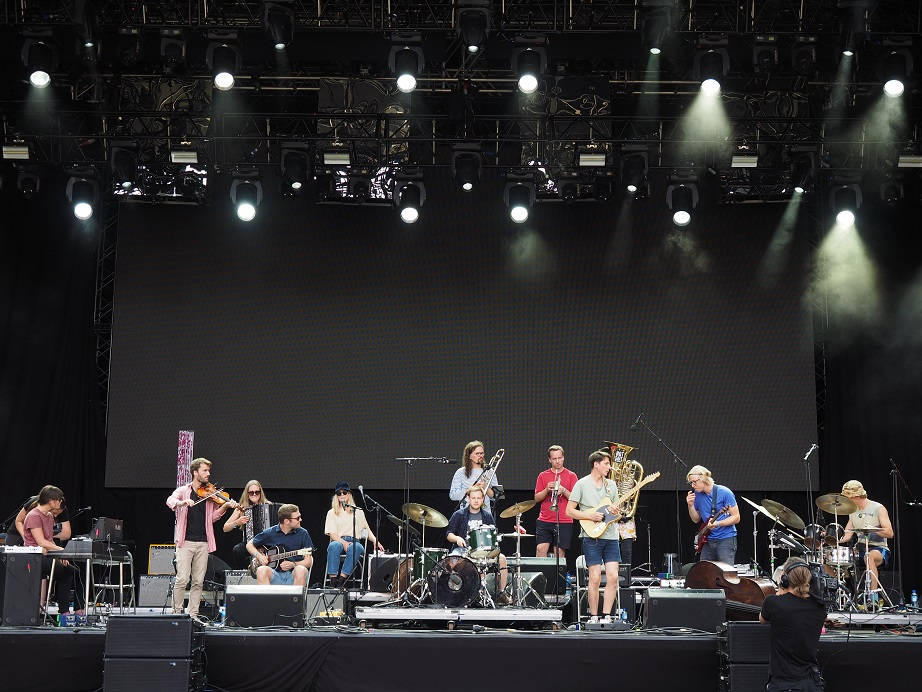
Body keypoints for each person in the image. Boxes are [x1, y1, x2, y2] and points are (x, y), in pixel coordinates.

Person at [165, 458, 237, 619]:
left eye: (208, 471)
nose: (208, 474)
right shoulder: (184, 490)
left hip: (203, 542)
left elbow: (211, 518)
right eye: (205, 470)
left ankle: (193, 615)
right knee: (182, 579)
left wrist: (224, 506)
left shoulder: (210, 494)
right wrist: (182, 502)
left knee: (198, 581)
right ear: (195, 472)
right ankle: (176, 613)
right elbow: (170, 500)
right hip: (185, 542)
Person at [566, 450, 621, 623]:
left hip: (611, 536)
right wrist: (590, 516)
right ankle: (593, 616)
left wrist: (615, 513)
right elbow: (569, 511)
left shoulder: (611, 485)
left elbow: (615, 515)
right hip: (591, 536)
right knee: (595, 577)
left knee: (613, 576)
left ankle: (606, 615)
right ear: (596, 464)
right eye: (606, 463)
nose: (609, 467)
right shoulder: (581, 484)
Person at [759, 558, 826, 692]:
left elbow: (762, 619)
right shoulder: (819, 607)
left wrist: (780, 590)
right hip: (811, 683)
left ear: (784, 579)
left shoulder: (773, 603)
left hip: (783, 684)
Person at [446, 486, 509, 604]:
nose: (476, 500)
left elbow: (493, 535)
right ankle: (455, 594)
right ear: (468, 499)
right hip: (463, 550)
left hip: (482, 551)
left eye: (479, 498)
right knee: (452, 560)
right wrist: (457, 538)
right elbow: (449, 534)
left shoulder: (487, 516)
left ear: (483, 499)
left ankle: (501, 593)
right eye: (473, 498)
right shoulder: (459, 514)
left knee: (502, 558)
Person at [23, 485, 80, 612]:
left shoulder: (49, 516)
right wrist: (61, 551)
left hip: (47, 556)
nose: (60, 502)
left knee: (73, 571)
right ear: (51, 501)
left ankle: (68, 610)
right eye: (59, 500)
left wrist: (59, 556)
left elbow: (49, 540)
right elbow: (41, 541)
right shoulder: (34, 515)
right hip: (34, 558)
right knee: (67, 572)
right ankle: (64, 611)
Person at [838, 480, 894, 594]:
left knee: (869, 557)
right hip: (860, 550)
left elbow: (889, 533)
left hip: (878, 549)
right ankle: (844, 595)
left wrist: (872, 529)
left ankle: (872, 597)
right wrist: (832, 539)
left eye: (849, 497)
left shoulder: (878, 508)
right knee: (837, 558)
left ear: (857, 496)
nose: (847, 500)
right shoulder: (852, 511)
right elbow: (847, 535)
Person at [324, 482, 384, 587]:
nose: (342, 495)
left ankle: (341, 581)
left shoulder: (358, 511)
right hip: (338, 540)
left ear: (349, 494)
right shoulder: (332, 512)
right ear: (336, 496)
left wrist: (375, 540)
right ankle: (333, 581)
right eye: (339, 493)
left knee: (355, 548)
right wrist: (344, 543)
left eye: (344, 492)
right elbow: (331, 533)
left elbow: (366, 529)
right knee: (333, 546)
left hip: (355, 541)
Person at [247, 503, 314, 586]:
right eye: (297, 518)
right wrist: (259, 556)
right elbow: (249, 545)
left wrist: (293, 564)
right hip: (275, 575)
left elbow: (309, 561)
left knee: (301, 570)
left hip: (293, 575)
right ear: (286, 521)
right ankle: (266, 599)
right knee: (261, 570)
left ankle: (295, 598)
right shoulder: (271, 532)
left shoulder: (303, 533)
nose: (300, 519)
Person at [686, 464, 740, 564]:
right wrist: (690, 505)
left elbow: (736, 517)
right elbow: (695, 519)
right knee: (705, 574)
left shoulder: (724, 492)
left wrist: (718, 524)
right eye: (690, 483)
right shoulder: (697, 495)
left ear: (704, 478)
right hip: (707, 540)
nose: (692, 485)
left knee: (725, 575)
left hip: (726, 539)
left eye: (694, 482)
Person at [533, 445, 578, 559]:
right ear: (549, 460)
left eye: (560, 458)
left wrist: (563, 490)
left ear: (563, 458)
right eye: (554, 459)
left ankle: (556, 577)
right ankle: (541, 576)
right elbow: (536, 498)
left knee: (559, 552)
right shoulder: (543, 475)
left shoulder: (571, 476)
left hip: (564, 519)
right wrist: (546, 490)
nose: (557, 461)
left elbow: (576, 499)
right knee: (540, 549)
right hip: (545, 519)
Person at [223, 480, 272, 568]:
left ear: (260, 493)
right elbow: (225, 528)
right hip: (250, 542)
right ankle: (247, 571)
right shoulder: (241, 508)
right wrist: (237, 522)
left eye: (257, 492)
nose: (254, 494)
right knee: (238, 550)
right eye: (251, 493)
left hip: (267, 542)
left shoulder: (268, 506)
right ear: (247, 494)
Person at [450, 440, 500, 514]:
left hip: (485, 513)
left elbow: (495, 496)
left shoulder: (490, 471)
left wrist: (485, 487)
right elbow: (453, 495)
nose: (480, 456)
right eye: (477, 453)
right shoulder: (460, 472)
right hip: (466, 514)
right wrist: (470, 489)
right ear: (469, 456)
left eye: (482, 453)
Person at [8, 493, 72, 546]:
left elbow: (66, 534)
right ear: (50, 505)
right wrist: (26, 537)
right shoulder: (35, 503)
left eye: (58, 514)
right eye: (54, 513)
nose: (55, 516)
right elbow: (18, 521)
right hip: (17, 533)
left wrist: (44, 537)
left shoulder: (61, 508)